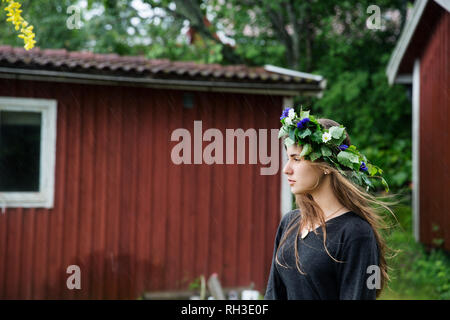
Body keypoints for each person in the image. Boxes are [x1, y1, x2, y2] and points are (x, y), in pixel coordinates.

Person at [264, 107, 398, 300]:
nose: (286, 169)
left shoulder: (356, 233)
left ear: (326, 166)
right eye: (288, 159)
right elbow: (273, 293)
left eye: (297, 159)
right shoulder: (290, 223)